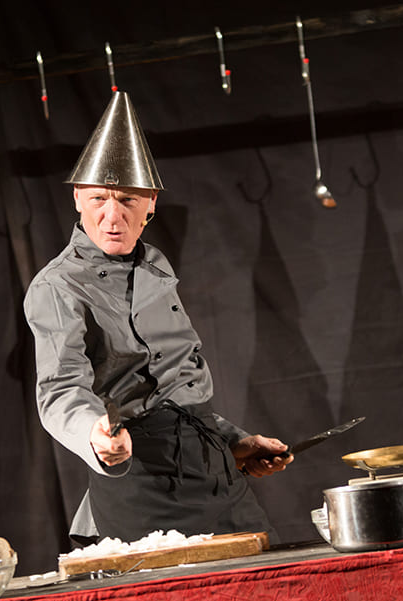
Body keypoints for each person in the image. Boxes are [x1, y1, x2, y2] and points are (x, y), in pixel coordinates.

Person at [24, 91, 292, 545]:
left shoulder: (156, 264)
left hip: (215, 475)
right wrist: (95, 434)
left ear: (150, 204)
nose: (112, 216)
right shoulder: (56, 286)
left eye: (127, 200)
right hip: (140, 478)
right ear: (77, 199)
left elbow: (173, 384)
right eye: (98, 200)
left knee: (268, 596)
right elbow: (59, 389)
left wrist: (233, 442)